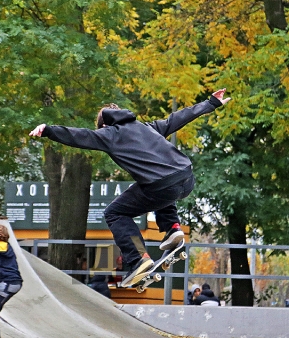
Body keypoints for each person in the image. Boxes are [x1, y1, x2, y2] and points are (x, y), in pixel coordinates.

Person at [30, 89, 230, 287]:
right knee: (153, 183)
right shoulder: (146, 127)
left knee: (115, 213)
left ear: (105, 124)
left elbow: (80, 136)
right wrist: (210, 103)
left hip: (162, 186)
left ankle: (139, 257)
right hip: (186, 177)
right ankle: (172, 227)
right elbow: (176, 119)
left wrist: (48, 130)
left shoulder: (109, 134)